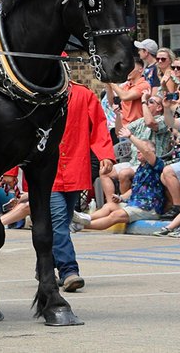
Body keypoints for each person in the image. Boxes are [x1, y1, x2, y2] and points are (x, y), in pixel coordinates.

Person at [51, 82, 115, 292]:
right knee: (60, 221)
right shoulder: (34, 93)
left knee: (64, 220)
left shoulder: (83, 94)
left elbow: (98, 125)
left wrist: (105, 153)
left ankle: (45, 264)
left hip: (75, 168)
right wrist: (11, 170)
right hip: (47, 172)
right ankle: (69, 271)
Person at [72, 122, 165, 231]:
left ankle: (79, 226)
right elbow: (134, 189)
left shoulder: (156, 164)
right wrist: (121, 197)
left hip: (149, 208)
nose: (138, 151)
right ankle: (84, 218)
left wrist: (130, 136)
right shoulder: (140, 168)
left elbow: (146, 150)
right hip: (134, 204)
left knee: (115, 215)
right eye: (138, 150)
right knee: (109, 206)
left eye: (141, 150)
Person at [111, 90, 170, 195]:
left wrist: (143, 100)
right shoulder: (140, 121)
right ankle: (112, 203)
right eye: (147, 101)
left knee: (124, 173)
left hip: (151, 164)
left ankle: (126, 203)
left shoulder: (164, 120)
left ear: (159, 107)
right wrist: (118, 116)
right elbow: (119, 132)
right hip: (134, 162)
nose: (147, 103)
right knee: (106, 172)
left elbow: (150, 123)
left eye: (150, 101)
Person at [104, 58, 150, 125]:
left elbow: (125, 96)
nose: (127, 71)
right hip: (124, 127)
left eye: (131, 68)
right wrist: (108, 85)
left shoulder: (144, 85)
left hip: (138, 127)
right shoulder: (126, 85)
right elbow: (112, 103)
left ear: (140, 69)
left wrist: (111, 81)